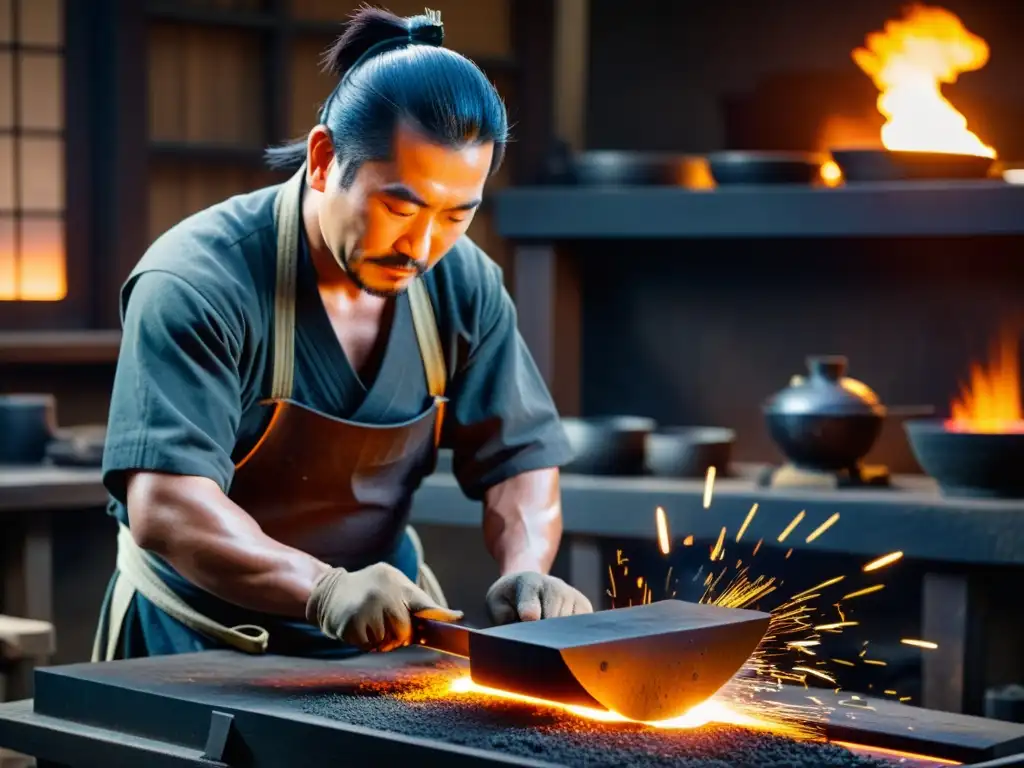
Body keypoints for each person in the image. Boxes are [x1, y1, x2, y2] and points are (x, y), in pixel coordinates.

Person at [93, 6, 591, 662]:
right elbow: (166, 504)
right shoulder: (197, 279)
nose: (421, 245)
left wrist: (527, 570)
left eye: (455, 216)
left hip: (387, 634)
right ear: (325, 159)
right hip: (195, 635)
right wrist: (324, 589)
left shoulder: (462, 281)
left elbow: (520, 458)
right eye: (400, 206)